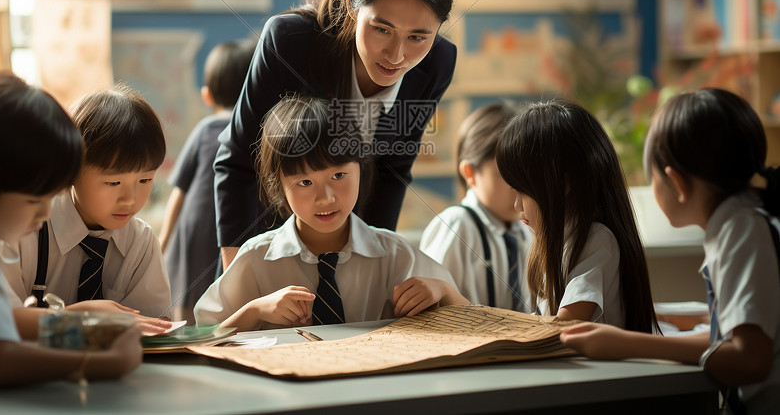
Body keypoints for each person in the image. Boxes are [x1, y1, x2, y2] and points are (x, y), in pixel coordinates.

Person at [215, 0, 457, 270]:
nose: (397, 55)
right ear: (351, 2)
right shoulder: (289, 43)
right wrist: (239, 274)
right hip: (268, 243)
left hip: (347, 251)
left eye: (418, 37)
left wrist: (373, 267)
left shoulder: (436, 65)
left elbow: (392, 171)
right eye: (382, 29)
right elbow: (237, 162)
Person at [561, 88, 780, 415]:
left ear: (676, 182)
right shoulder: (740, 223)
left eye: (651, 176)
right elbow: (739, 337)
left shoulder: (741, 231)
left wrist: (626, 344)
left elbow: (749, 359)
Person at [0, 71, 141, 387]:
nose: (46, 212)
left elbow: (5, 320)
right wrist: (100, 363)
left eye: (52, 197)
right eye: (33, 199)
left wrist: (88, 330)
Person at [194, 95, 467, 331]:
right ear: (279, 184)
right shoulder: (256, 258)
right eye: (304, 182)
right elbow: (204, 333)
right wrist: (253, 311)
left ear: (361, 167)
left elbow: (474, 321)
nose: (325, 198)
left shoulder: (395, 254)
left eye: (338, 175)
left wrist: (444, 292)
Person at [4, 85, 173, 336]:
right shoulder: (23, 230)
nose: (130, 199)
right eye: (113, 183)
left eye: (145, 180)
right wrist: (82, 319)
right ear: (70, 169)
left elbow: (154, 330)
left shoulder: (140, 242)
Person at [496, 99, 657, 332]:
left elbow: (565, 327)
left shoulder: (596, 240)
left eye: (524, 190)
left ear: (563, 184)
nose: (516, 204)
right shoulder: (560, 240)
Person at [159, 38, 256, 324]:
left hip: (195, 231)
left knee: (188, 302)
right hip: (239, 231)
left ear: (207, 95)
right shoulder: (259, 132)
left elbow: (180, 191)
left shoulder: (205, 130)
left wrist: (163, 241)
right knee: (226, 300)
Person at [420, 102, 532, 310]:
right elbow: (434, 307)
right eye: (507, 176)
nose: (519, 188)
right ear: (470, 173)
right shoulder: (457, 225)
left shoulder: (527, 230)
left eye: (525, 175)